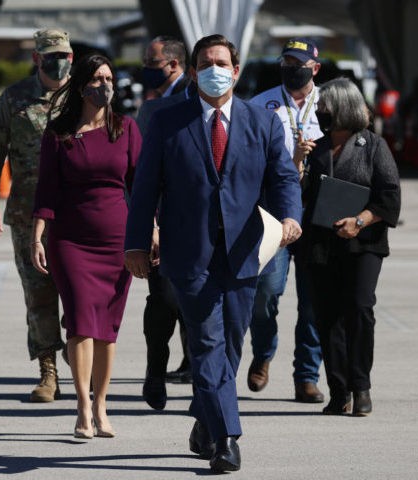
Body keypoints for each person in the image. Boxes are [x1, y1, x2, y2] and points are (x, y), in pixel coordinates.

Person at [124, 34, 302, 473]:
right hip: (189, 254)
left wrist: (291, 217)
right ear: (193, 70)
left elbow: (283, 177)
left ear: (236, 71)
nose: (214, 69)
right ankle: (226, 437)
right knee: (206, 344)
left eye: (221, 62)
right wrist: (135, 242)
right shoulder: (168, 121)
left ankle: (206, 419)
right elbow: (145, 188)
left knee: (232, 346)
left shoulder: (261, 121)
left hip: (244, 253)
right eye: (205, 63)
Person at [31, 54, 141, 439]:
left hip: (117, 241)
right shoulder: (58, 133)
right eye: (97, 78)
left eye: (109, 77)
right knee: (80, 323)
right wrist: (37, 236)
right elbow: (46, 188)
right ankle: (81, 406)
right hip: (70, 241)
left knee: (107, 329)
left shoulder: (125, 128)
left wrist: (153, 228)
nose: (105, 85)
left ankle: (102, 405)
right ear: (81, 86)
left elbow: (140, 186)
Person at [0, 28, 73, 403]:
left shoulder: (83, 96)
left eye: (65, 54)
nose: (59, 61)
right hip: (28, 214)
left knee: (79, 294)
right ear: (37, 58)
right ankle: (48, 371)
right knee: (39, 295)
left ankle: (79, 358)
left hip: (75, 214)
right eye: (51, 55)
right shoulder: (13, 100)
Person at [300, 77, 401, 416]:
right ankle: (338, 390)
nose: (320, 112)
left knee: (359, 309)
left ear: (343, 108)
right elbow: (298, 194)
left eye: (325, 107)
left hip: (363, 245)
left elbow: (389, 196)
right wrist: (298, 161)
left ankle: (362, 386)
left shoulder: (373, 146)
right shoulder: (316, 148)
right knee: (327, 318)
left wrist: (359, 221)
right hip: (320, 246)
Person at [247, 37, 324, 403]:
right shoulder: (261, 106)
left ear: (315, 68)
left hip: (319, 213)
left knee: (313, 301)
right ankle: (262, 354)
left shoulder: (330, 106)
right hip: (275, 214)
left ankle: (307, 375)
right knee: (265, 294)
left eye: (300, 63)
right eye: (287, 62)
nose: (293, 69)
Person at [137, 37, 193, 412]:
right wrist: (148, 223)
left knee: (202, 307)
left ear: (174, 64)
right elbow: (142, 175)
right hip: (166, 221)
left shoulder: (213, 104)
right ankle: (155, 371)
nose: (146, 67)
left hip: (208, 225)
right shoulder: (154, 109)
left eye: (152, 61)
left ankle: (202, 384)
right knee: (165, 301)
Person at [141, 36, 192, 100]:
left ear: (173, 65)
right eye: (145, 62)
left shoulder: (189, 93)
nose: (146, 67)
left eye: (152, 62)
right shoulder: (161, 98)